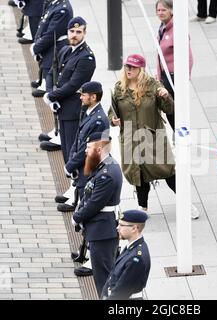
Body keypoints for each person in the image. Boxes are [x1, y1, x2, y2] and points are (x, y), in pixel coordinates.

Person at [109, 54, 199, 219]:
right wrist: (113, 120)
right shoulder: (119, 88)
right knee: (139, 174)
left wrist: (166, 96)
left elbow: (170, 109)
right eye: (127, 66)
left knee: (167, 171)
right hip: (130, 139)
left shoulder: (153, 86)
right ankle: (142, 207)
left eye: (133, 67)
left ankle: (186, 203)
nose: (129, 70)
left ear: (141, 69)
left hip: (152, 137)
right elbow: (112, 111)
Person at [72, 132, 123, 298]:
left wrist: (77, 217)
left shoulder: (106, 174)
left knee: (104, 278)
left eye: (89, 148)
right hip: (101, 227)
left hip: (103, 230)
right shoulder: (104, 166)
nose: (86, 151)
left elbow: (95, 204)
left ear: (99, 149)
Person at [42, 16, 96, 163]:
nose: (74, 34)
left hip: (74, 110)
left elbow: (74, 85)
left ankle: (76, 182)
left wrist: (52, 97)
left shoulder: (86, 58)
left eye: (78, 32)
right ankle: (73, 181)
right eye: (72, 31)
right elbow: (51, 73)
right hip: (62, 107)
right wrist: (49, 94)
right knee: (65, 149)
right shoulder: (65, 50)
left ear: (84, 33)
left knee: (73, 150)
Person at [57, 81, 110, 212]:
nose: (80, 97)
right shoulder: (88, 112)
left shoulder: (98, 120)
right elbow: (78, 139)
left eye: (83, 95)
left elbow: (88, 148)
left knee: (85, 205)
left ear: (93, 97)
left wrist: (70, 165)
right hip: (81, 166)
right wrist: (71, 160)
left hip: (88, 168)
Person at [156, 0, 193, 130]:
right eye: (158, 10)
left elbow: (188, 57)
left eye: (163, 10)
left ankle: (180, 137)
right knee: (169, 111)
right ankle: (177, 136)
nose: (160, 13)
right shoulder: (162, 28)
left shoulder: (177, 30)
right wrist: (158, 75)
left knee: (174, 111)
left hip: (174, 77)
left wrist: (184, 80)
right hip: (165, 77)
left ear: (171, 11)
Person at [102, 209, 150, 300]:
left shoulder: (136, 258)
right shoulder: (132, 246)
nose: (117, 228)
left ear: (134, 228)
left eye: (121, 225)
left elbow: (121, 292)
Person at [29, 0, 73, 97]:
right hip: (51, 43)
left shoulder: (63, 9)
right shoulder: (54, 3)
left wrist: (36, 48)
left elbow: (52, 34)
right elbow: (43, 23)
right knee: (43, 62)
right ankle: (42, 80)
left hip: (56, 45)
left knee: (49, 64)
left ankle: (46, 87)